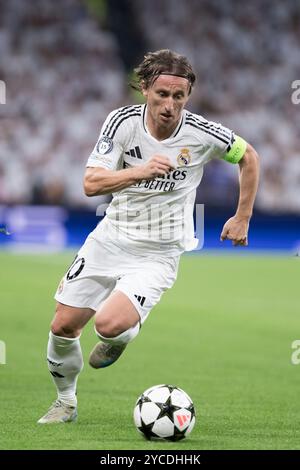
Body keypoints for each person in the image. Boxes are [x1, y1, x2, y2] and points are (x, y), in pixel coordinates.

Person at [38, 49, 259, 424]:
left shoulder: (203, 134)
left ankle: (121, 335)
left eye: (179, 96)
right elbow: (91, 183)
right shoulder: (122, 122)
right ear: (144, 89)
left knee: (107, 325)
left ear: (188, 96)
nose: (170, 105)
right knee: (62, 326)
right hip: (110, 239)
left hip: (159, 252)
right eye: (162, 95)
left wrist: (242, 216)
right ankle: (66, 401)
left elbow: (248, 156)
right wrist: (138, 172)